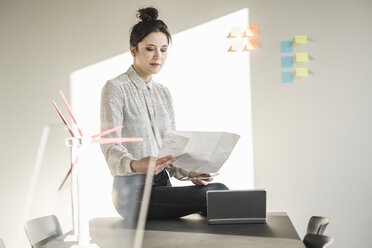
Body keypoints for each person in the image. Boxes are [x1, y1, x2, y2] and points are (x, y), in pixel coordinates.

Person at [100, 7, 228, 225]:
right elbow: (109, 143)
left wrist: (191, 173)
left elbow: (172, 150)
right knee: (217, 195)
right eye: (150, 49)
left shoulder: (164, 93)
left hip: (162, 186)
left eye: (163, 49)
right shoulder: (115, 87)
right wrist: (136, 164)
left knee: (218, 190)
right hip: (132, 193)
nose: (158, 56)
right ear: (133, 50)